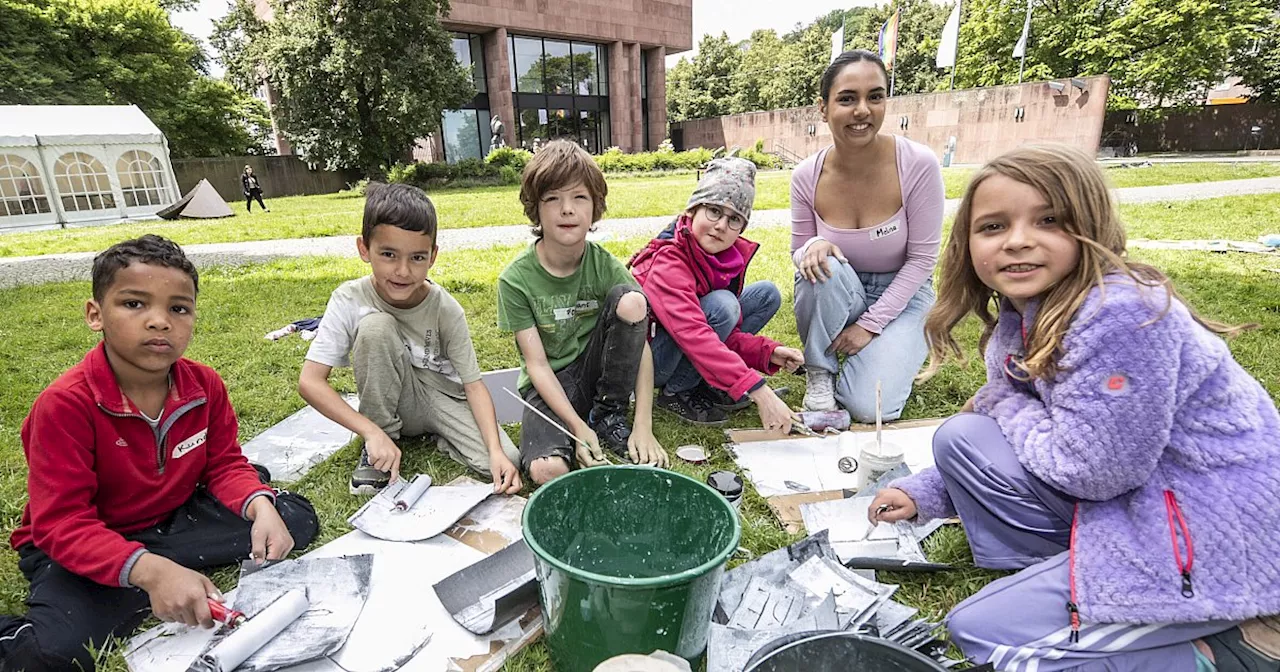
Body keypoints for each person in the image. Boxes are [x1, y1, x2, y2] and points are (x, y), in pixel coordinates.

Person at [871, 144, 1280, 672]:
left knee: (982, 634)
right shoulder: (1021, 320)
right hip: (1143, 499)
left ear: (1091, 226)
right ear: (967, 244)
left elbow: (1093, 472)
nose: (1018, 240)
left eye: (1049, 220)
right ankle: (1069, 575)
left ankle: (1227, 649)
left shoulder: (1120, 315)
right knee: (961, 436)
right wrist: (924, 491)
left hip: (1218, 535)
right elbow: (1022, 426)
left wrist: (999, 403)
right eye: (993, 226)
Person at [0, 235, 319, 672]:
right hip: (81, 539)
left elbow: (224, 463)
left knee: (291, 518)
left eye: (178, 308)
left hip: (170, 517)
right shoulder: (65, 404)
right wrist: (151, 572)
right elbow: (62, 523)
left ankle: (148, 571)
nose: (159, 322)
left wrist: (259, 504)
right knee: (53, 655)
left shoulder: (204, 385)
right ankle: (139, 575)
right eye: (134, 304)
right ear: (96, 314)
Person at [299, 183, 522, 495]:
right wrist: (370, 431)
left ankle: (439, 434)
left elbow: (473, 385)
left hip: (442, 395)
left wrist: (497, 452)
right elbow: (310, 382)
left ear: (432, 256)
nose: (402, 271)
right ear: (364, 249)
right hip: (393, 397)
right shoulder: (349, 298)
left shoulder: (446, 308)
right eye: (389, 254)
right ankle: (383, 440)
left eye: (417, 257)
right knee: (375, 327)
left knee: (506, 460)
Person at [497, 140, 667, 485]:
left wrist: (643, 426)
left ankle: (608, 415)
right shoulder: (514, 280)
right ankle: (582, 423)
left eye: (579, 197)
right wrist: (576, 427)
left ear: (595, 207)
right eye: (552, 198)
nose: (567, 210)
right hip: (548, 385)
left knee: (633, 301)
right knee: (548, 471)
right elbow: (537, 365)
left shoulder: (605, 265)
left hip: (596, 376)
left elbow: (641, 346)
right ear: (535, 209)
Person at [791, 49, 944, 423]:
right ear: (823, 108)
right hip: (842, 291)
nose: (862, 110)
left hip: (904, 295)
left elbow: (922, 260)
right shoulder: (806, 176)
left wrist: (869, 326)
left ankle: (886, 351)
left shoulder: (917, 164)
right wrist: (814, 245)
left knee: (868, 408)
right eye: (847, 98)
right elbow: (799, 253)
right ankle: (820, 372)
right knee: (820, 261)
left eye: (874, 96)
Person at [629, 157, 804, 429]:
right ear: (691, 212)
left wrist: (768, 352)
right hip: (649, 362)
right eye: (713, 211)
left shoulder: (722, 258)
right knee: (724, 305)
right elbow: (695, 334)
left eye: (734, 219)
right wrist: (759, 390)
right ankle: (677, 391)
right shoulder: (668, 260)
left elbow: (723, 332)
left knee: (766, 295)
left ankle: (711, 382)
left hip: (688, 338)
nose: (721, 225)